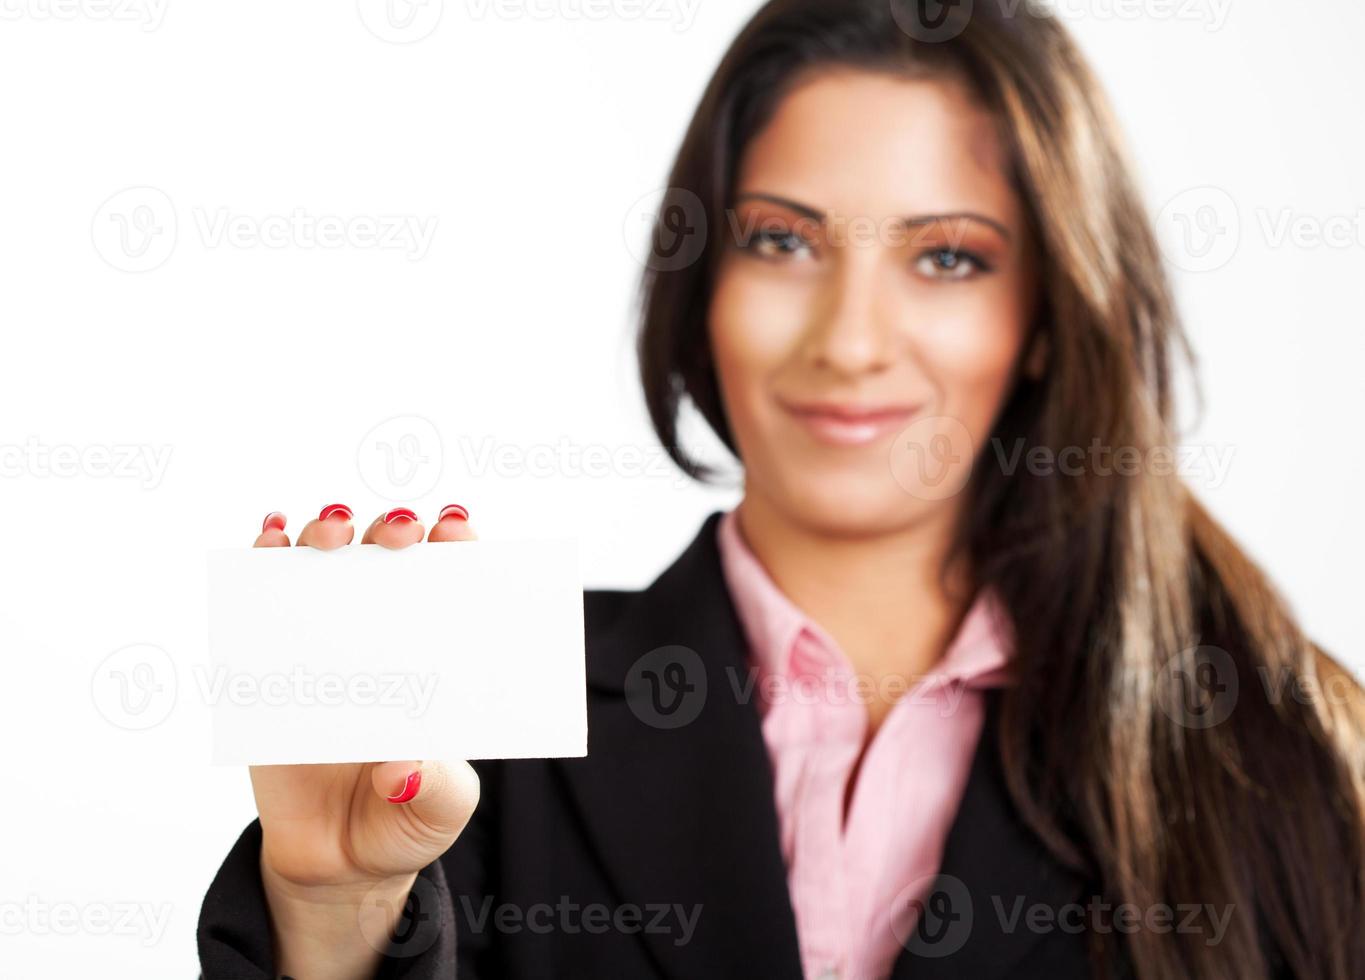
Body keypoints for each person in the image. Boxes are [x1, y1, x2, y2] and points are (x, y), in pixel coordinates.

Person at [197, 1, 1365, 977]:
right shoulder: (486, 728)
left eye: (947, 255)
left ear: (1050, 315)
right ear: (703, 276)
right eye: (783, 241)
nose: (851, 340)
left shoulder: (1275, 750)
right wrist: (332, 911)